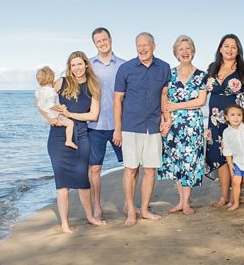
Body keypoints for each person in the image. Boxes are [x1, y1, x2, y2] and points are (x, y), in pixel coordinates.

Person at [39, 51, 106, 232]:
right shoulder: (61, 82)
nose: (76, 68)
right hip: (58, 136)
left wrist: (70, 114)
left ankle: (90, 216)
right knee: (62, 184)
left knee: (83, 180)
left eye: (79, 64)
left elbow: (93, 115)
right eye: (73, 65)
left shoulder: (94, 86)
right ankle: (65, 224)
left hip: (81, 135)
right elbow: (41, 100)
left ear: (85, 64)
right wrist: (48, 118)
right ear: (70, 67)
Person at [113, 32, 171, 226]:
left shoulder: (164, 68)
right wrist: (117, 129)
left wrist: (166, 120)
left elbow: (165, 97)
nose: (142, 48)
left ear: (154, 46)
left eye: (146, 44)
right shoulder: (125, 68)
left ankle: (144, 209)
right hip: (131, 127)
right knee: (130, 169)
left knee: (150, 170)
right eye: (139, 45)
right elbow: (117, 100)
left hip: (153, 127)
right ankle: (131, 210)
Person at [205, 34, 244, 208]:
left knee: (238, 154)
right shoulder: (212, 67)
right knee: (219, 156)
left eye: (233, 47)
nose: (229, 50)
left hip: (236, 120)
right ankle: (224, 196)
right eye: (226, 46)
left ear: (238, 50)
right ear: (220, 48)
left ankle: (237, 195)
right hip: (215, 120)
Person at [158, 35, 207, 215]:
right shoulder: (168, 74)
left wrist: (177, 106)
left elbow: (201, 101)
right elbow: (164, 97)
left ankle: (186, 202)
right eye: (181, 49)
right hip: (173, 124)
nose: (185, 52)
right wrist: (166, 119)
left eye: (188, 48)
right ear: (176, 53)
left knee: (190, 162)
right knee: (176, 162)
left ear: (193, 51)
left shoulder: (201, 75)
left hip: (192, 124)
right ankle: (181, 201)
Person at [87, 27, 126, 220]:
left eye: (105, 39)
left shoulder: (123, 65)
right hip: (94, 126)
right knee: (94, 168)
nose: (102, 43)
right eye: (98, 41)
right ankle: (97, 207)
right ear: (95, 44)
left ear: (110, 39)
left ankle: (128, 203)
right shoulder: (88, 66)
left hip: (119, 124)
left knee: (130, 165)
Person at [35, 66, 77, 149]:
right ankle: (68, 140)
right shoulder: (51, 92)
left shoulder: (39, 91)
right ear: (51, 78)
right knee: (70, 123)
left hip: (47, 115)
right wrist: (61, 108)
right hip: (55, 116)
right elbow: (51, 105)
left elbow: (39, 103)